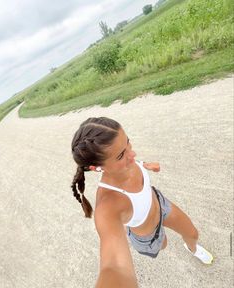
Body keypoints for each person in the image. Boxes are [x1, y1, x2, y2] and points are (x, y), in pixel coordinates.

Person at [71, 117, 213, 288]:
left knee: (193, 234)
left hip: (161, 204)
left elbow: (133, 161)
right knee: (163, 244)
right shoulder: (107, 206)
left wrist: (146, 165)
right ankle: (162, 241)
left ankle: (193, 249)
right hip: (148, 236)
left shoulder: (128, 162)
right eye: (121, 155)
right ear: (96, 167)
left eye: (128, 142)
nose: (132, 154)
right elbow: (114, 267)